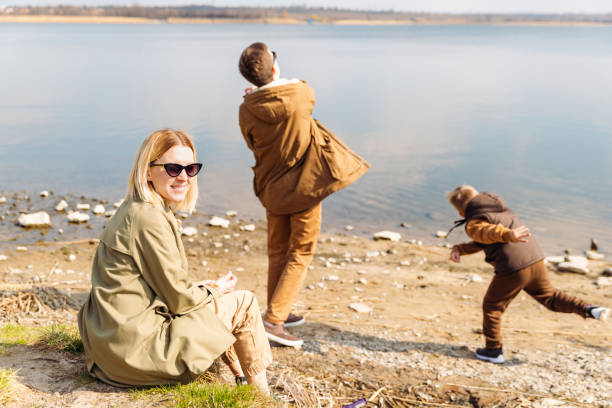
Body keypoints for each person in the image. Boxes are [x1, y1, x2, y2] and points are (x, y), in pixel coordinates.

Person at [78, 129, 272, 392]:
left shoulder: (134, 208)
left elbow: (161, 285)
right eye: (172, 168)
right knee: (245, 303)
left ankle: (238, 377)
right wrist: (214, 290)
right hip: (134, 354)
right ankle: (262, 397)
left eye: (191, 169)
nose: (184, 177)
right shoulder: (149, 219)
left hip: (111, 346)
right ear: (147, 171)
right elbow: (179, 299)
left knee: (212, 294)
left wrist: (209, 288)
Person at [238, 42, 370, 347]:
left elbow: (252, 142)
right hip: (305, 188)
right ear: (274, 68)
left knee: (277, 252)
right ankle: (273, 321)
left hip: (271, 188)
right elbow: (305, 90)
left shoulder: (246, 109)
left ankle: (276, 310)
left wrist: (257, 95)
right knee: (299, 253)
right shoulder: (299, 95)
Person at [447, 185, 610, 364]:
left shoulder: (474, 223)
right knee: (551, 297)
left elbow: (486, 233)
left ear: (462, 214)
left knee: (492, 307)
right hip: (535, 259)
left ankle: (493, 351)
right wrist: (459, 249)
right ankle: (589, 310)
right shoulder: (501, 210)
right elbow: (484, 240)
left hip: (513, 268)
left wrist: (507, 234)